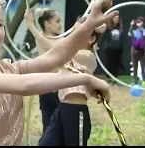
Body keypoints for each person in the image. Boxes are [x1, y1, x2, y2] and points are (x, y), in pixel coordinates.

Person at [0, 0, 118, 146]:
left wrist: (88, 25)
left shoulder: (9, 68)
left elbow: (54, 57)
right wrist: (86, 79)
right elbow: (24, 85)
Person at [24, 14, 107, 146]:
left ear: (91, 39)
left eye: (78, 33)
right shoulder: (69, 55)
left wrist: (31, 26)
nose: (73, 36)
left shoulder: (87, 57)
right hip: (62, 109)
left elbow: (55, 50)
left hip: (76, 112)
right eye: (73, 32)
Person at [24, 8, 63, 134]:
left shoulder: (61, 39)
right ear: (47, 24)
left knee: (62, 124)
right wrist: (31, 25)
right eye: (57, 21)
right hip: (47, 89)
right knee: (49, 125)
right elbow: (51, 49)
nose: (60, 24)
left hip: (62, 88)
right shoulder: (41, 38)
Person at [128, 16, 145, 85]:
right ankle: (135, 81)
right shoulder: (134, 31)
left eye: (140, 21)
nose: (138, 23)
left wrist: (140, 29)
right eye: (138, 21)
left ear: (143, 23)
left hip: (142, 50)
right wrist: (131, 26)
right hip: (134, 50)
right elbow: (129, 34)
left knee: (143, 66)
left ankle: (144, 81)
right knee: (135, 66)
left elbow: (144, 37)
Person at [103, 14, 124, 84]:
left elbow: (121, 39)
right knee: (110, 63)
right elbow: (105, 37)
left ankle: (115, 78)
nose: (117, 19)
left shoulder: (120, 28)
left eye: (118, 18)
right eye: (115, 18)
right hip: (109, 49)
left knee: (116, 64)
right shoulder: (108, 27)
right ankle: (109, 78)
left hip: (118, 49)